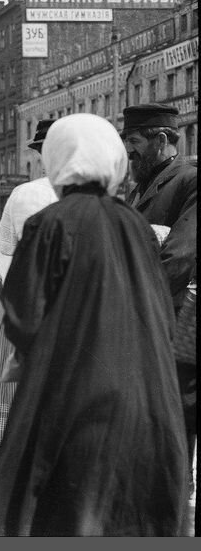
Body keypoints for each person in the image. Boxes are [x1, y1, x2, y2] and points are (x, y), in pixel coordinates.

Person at [0, 113, 188, 536]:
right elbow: (160, 306)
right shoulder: (136, 225)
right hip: (149, 398)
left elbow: (23, 315)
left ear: (57, 160)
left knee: (65, 509)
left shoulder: (50, 224)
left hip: (76, 400)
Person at [120, 103, 197, 508]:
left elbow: (179, 258)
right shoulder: (143, 185)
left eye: (133, 142)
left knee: (177, 414)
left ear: (161, 141)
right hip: (149, 317)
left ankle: (174, 505)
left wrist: (128, 300)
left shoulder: (189, 181)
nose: (128, 153)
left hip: (176, 320)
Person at [0, 119, 58, 446]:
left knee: (16, 373)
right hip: (68, 300)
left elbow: (5, 249)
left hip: (25, 297)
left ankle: (14, 446)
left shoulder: (22, 193)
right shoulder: (94, 196)